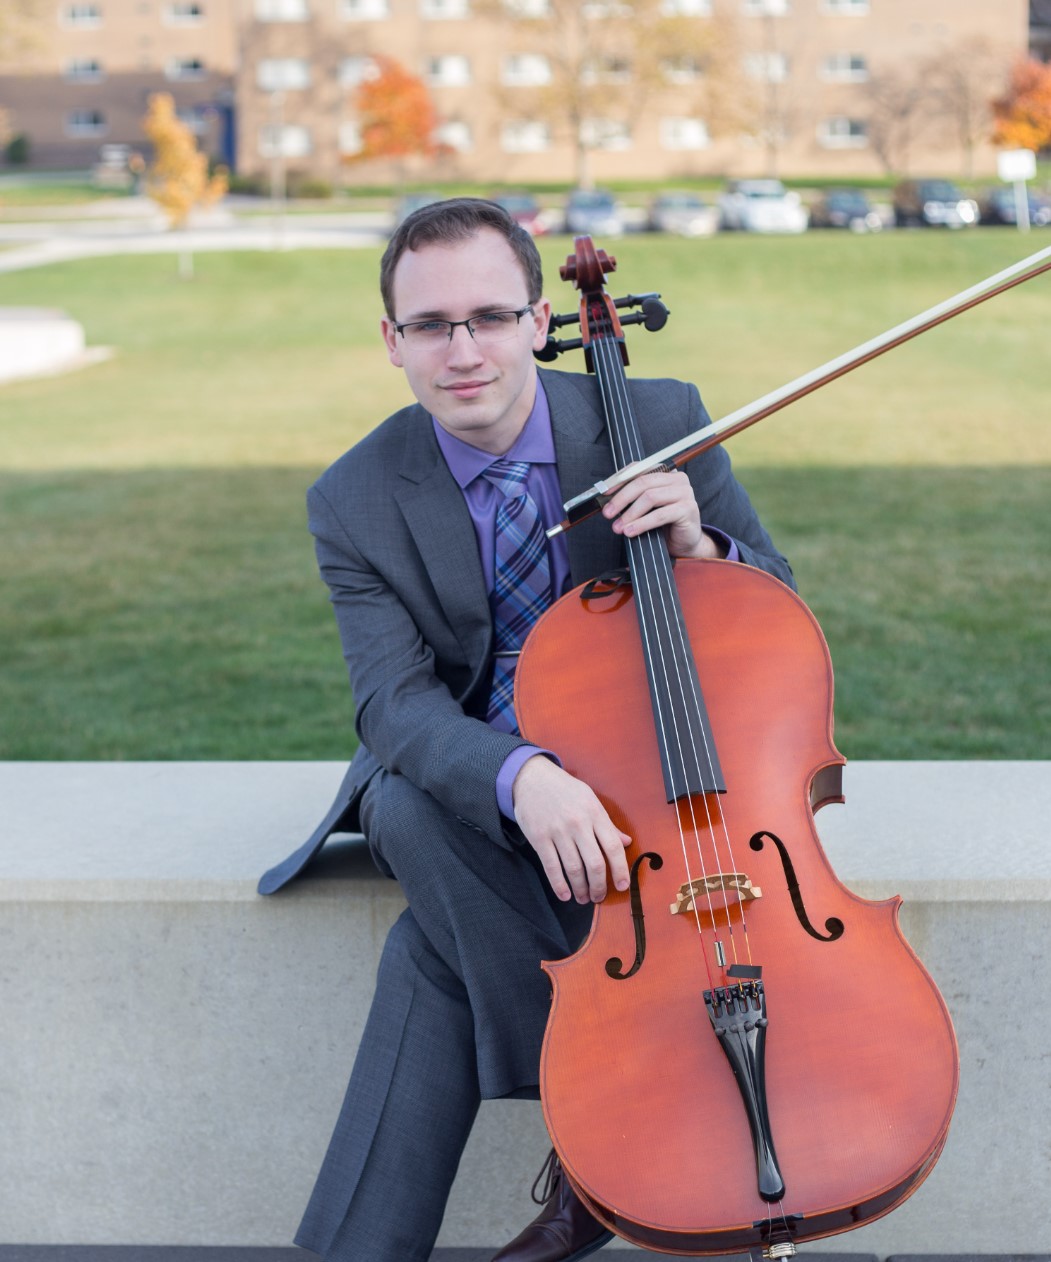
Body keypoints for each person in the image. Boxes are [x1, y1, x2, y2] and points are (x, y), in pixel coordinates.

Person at [259, 197, 795, 1262]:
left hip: (654, 770)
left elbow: (782, 608)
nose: (463, 352)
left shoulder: (655, 416)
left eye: (489, 318)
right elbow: (394, 702)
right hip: (483, 794)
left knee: (430, 949)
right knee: (408, 793)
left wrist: (702, 545)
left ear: (539, 318)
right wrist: (523, 777)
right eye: (430, 326)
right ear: (391, 342)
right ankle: (614, 1117)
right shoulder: (355, 496)